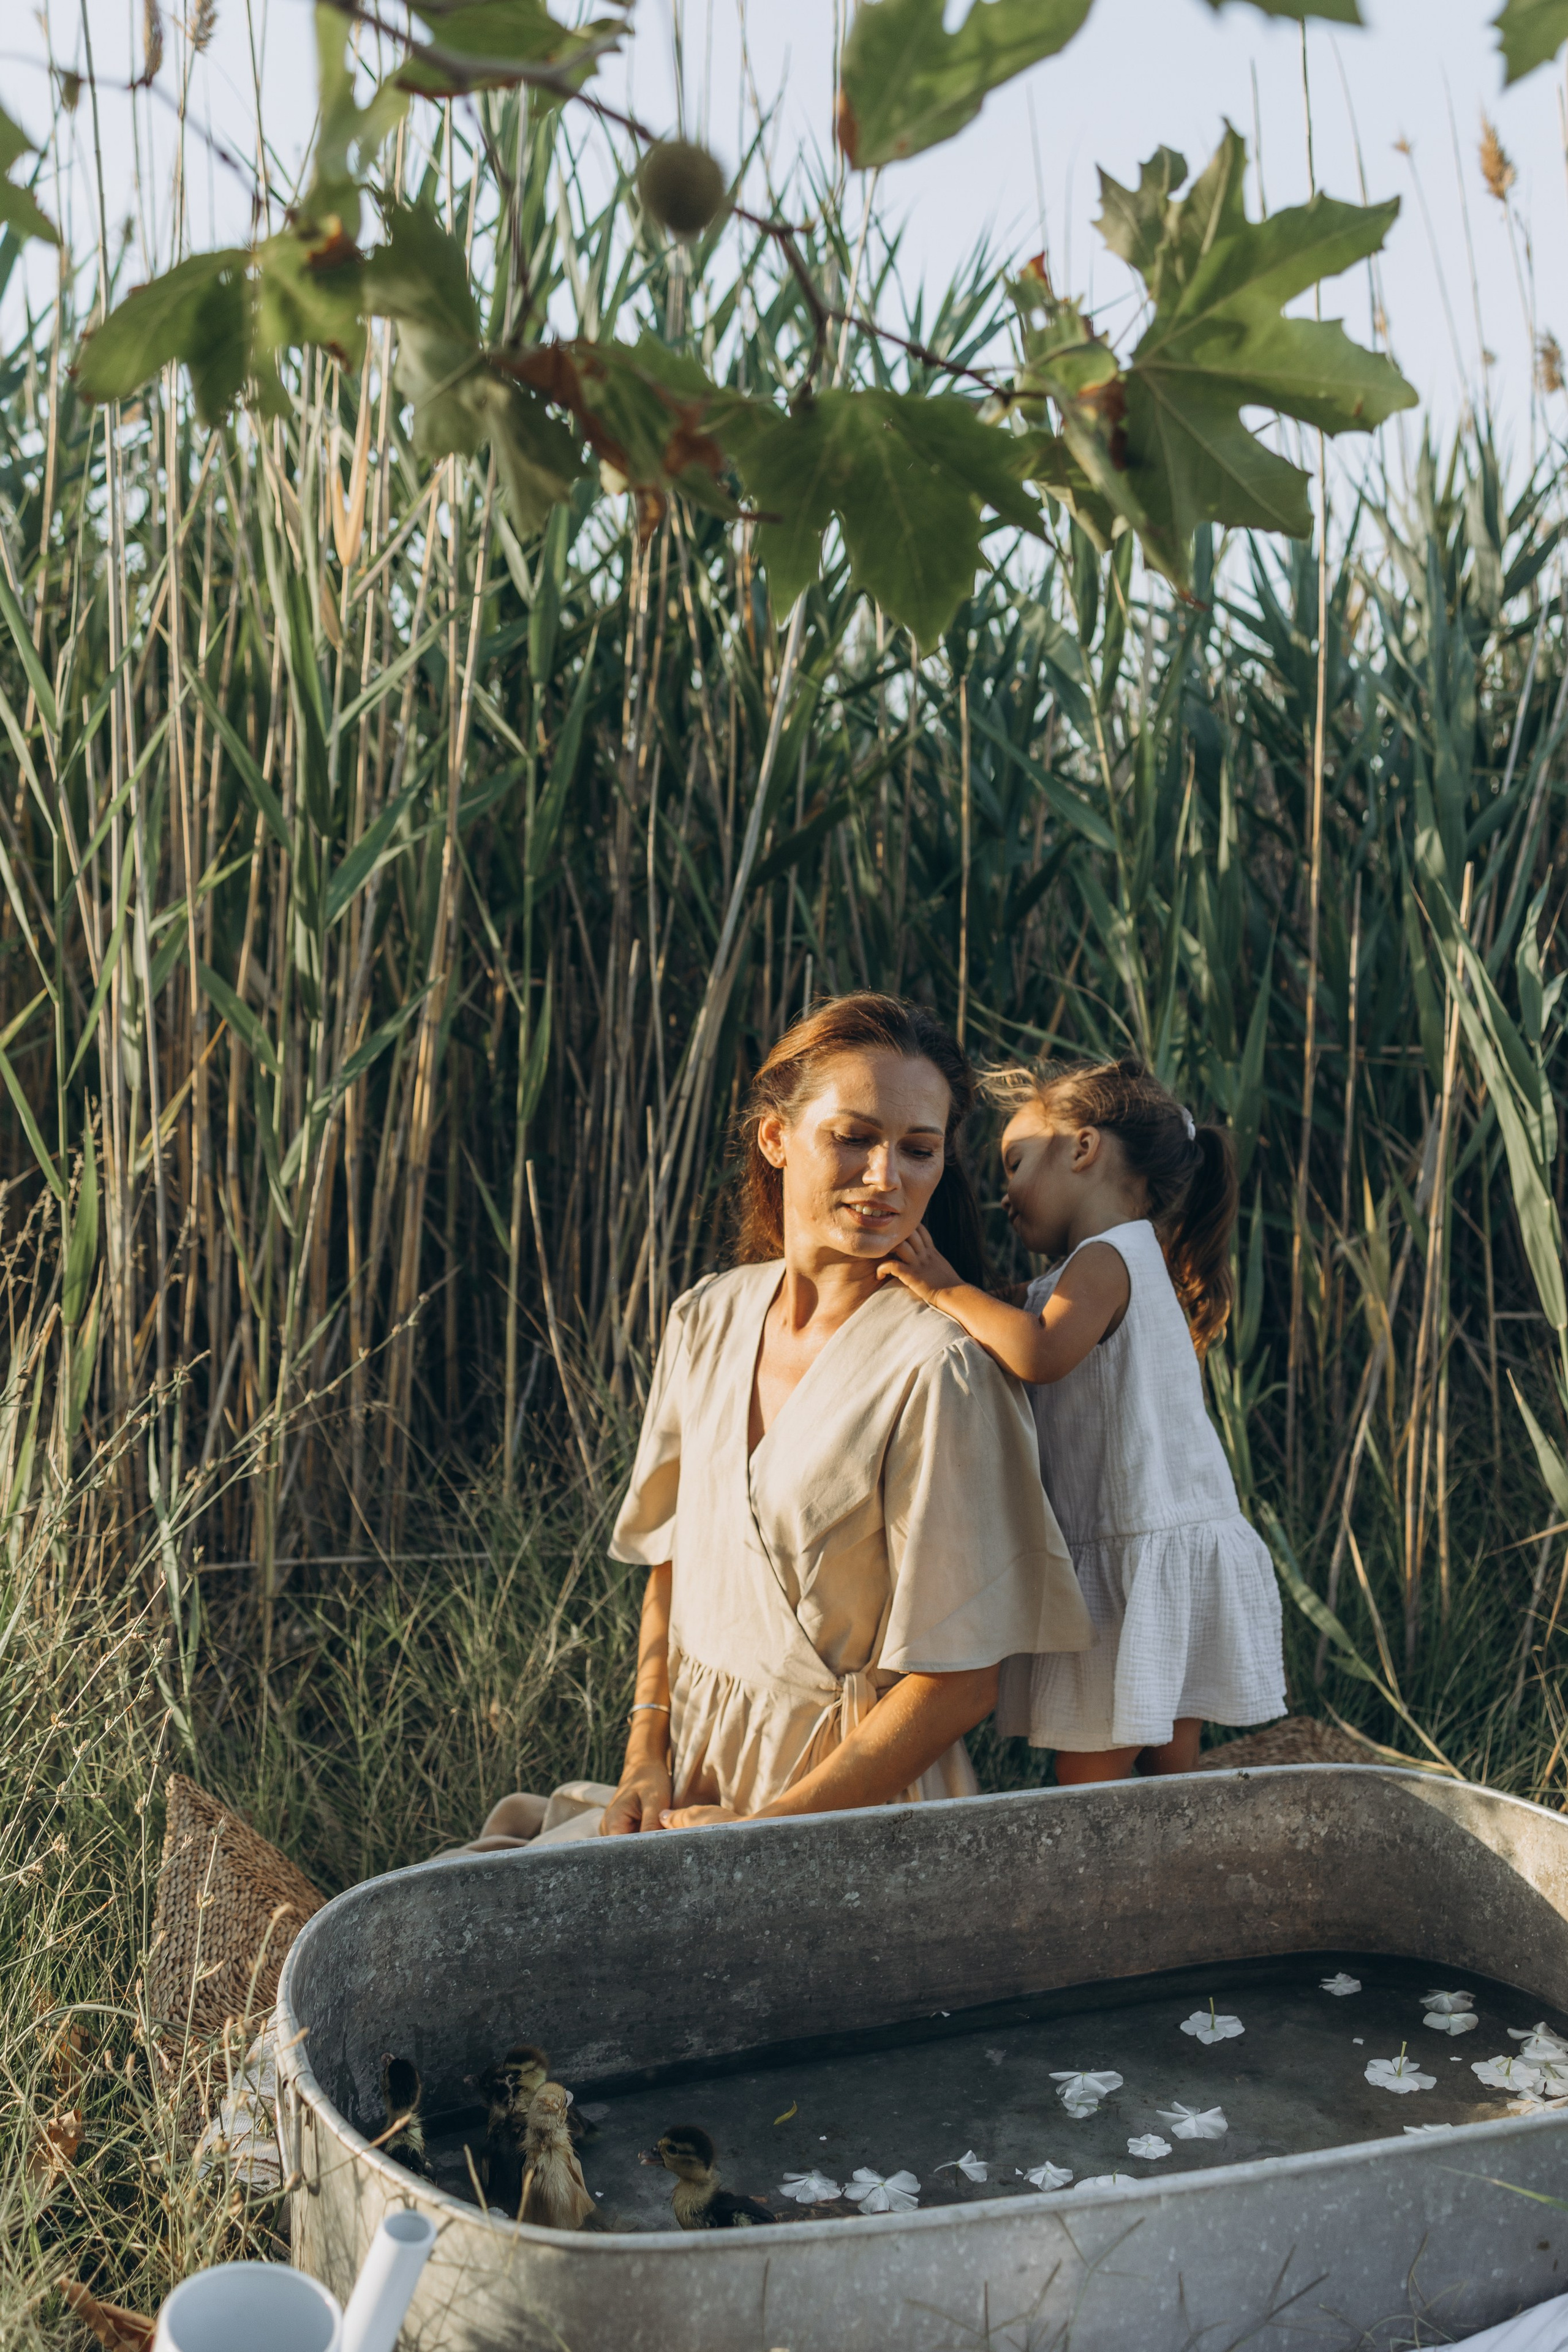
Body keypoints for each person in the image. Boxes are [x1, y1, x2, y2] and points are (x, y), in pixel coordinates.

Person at [459, 993, 1090, 1853]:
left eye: (919, 1150)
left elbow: (958, 1684)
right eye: (854, 1137)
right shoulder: (708, 1317)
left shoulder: (939, 1371)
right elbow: (675, 1563)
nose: (886, 1179)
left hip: (842, 1818)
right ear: (775, 1138)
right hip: (685, 1791)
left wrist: (757, 1842)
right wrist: (645, 1755)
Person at [878, 1054, 1284, 1785]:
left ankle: (1106, 1890)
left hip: (1134, 1547)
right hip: (1162, 1545)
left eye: (1015, 1161)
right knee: (1168, 1761)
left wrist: (944, 1288)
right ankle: (1182, 1869)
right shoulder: (1121, 1260)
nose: (1005, 1192)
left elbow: (1039, 1352)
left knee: (1086, 1780)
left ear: (1084, 1148)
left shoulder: (1103, 1260)